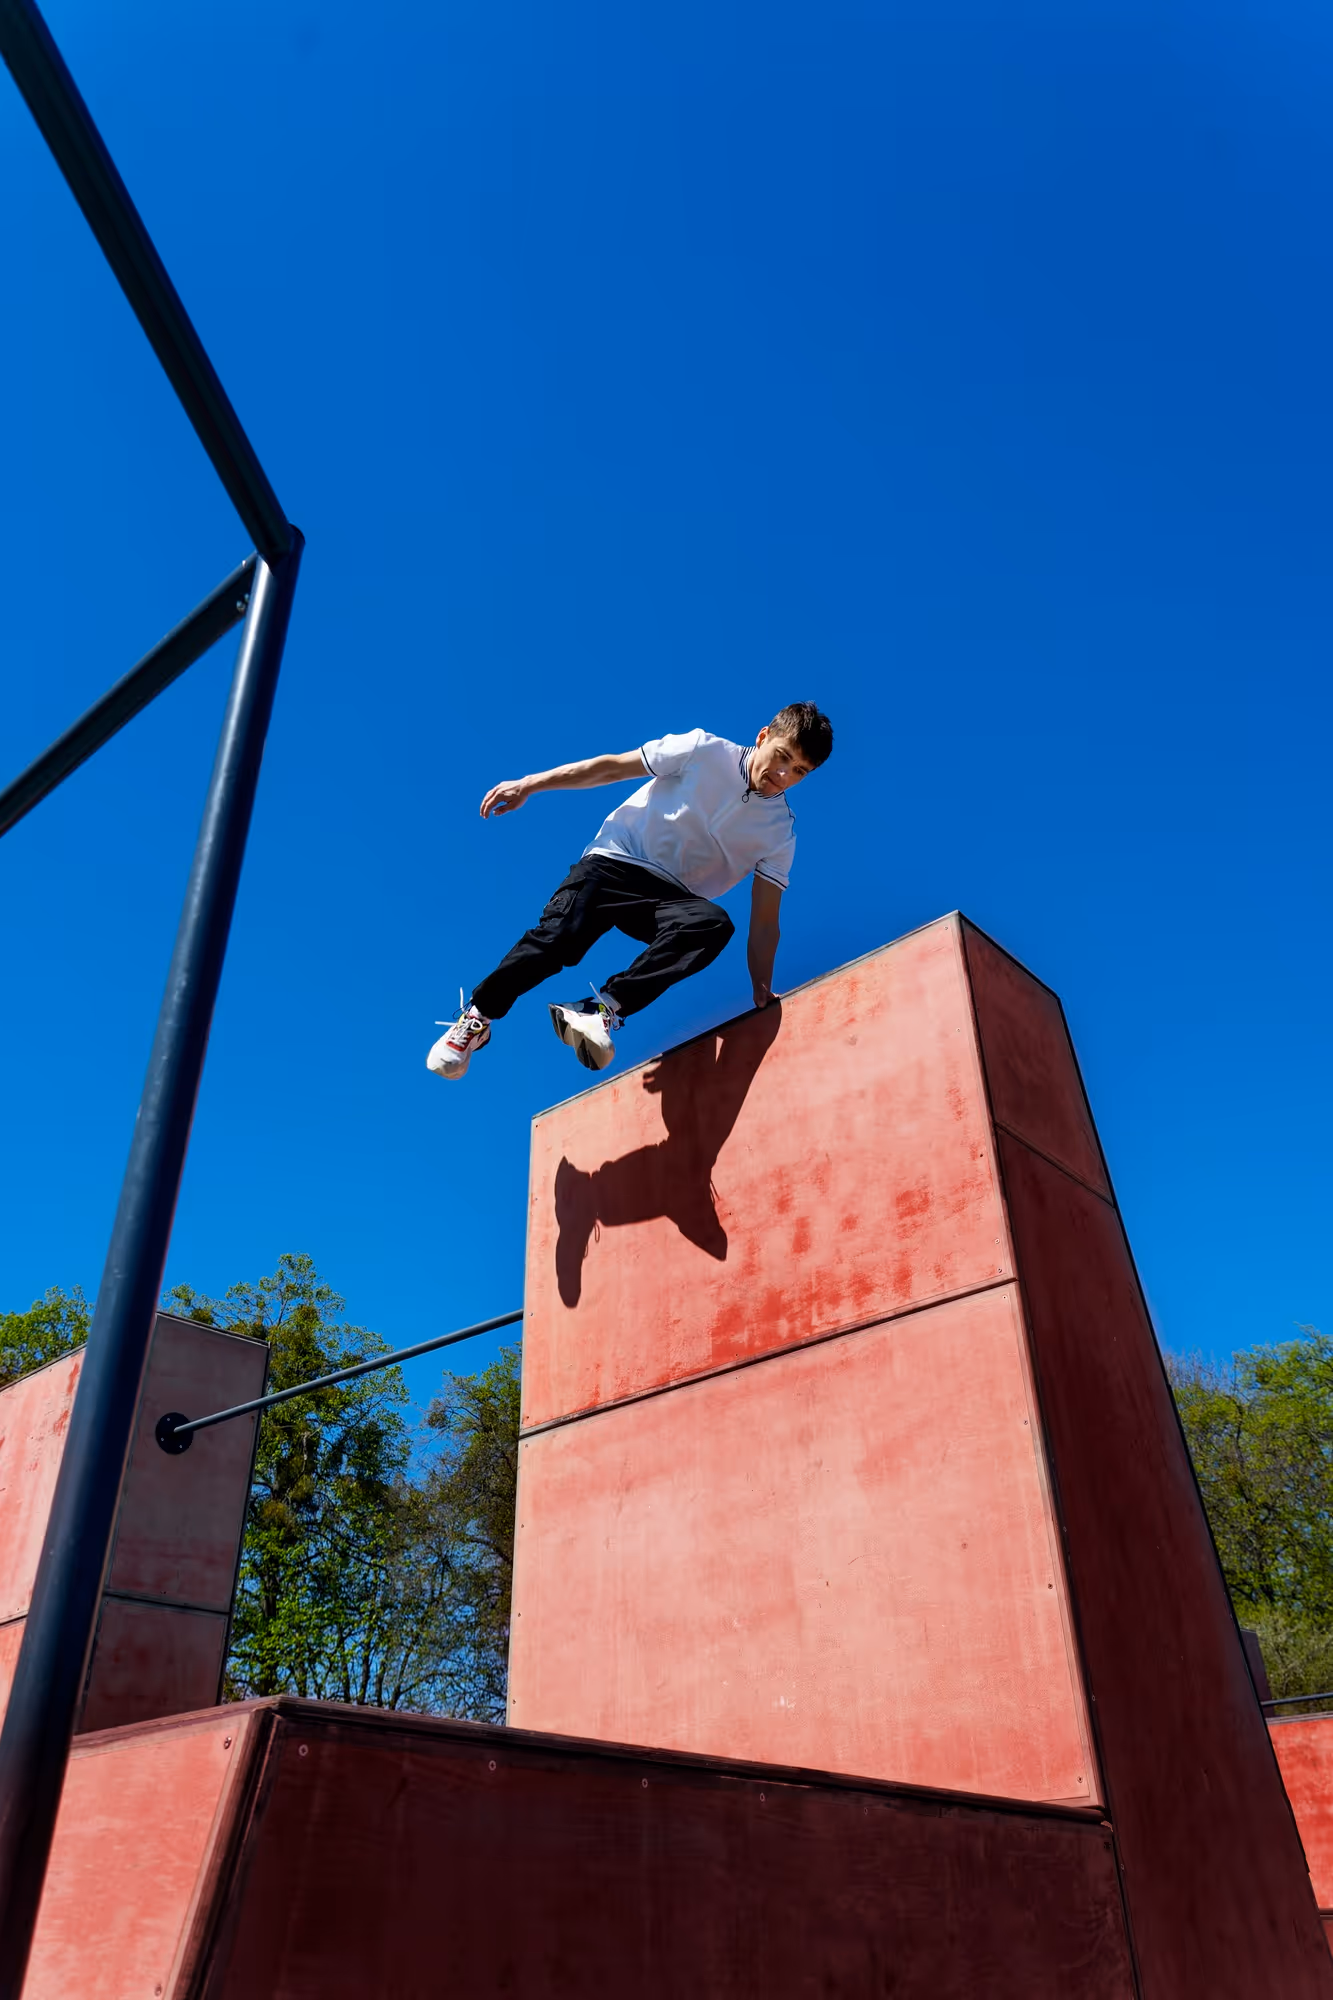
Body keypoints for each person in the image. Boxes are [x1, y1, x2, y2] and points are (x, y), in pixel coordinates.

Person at [426, 702, 834, 1081]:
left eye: (799, 771)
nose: (783, 776)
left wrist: (761, 986)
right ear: (763, 736)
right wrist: (530, 785)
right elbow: (610, 768)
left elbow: (765, 920)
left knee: (712, 924)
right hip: (614, 862)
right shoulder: (702, 749)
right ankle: (476, 1019)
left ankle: (600, 1010)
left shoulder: (780, 833)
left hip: (669, 898)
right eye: (782, 756)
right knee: (557, 940)